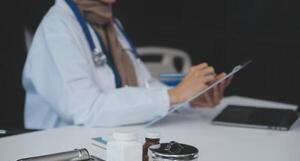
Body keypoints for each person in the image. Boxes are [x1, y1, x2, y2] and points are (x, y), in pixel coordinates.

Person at [22, 0, 230, 129]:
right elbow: (85, 109)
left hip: (106, 141)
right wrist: (173, 96)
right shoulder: (57, 28)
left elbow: (144, 88)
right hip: (56, 151)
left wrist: (188, 100)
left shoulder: (110, 25)